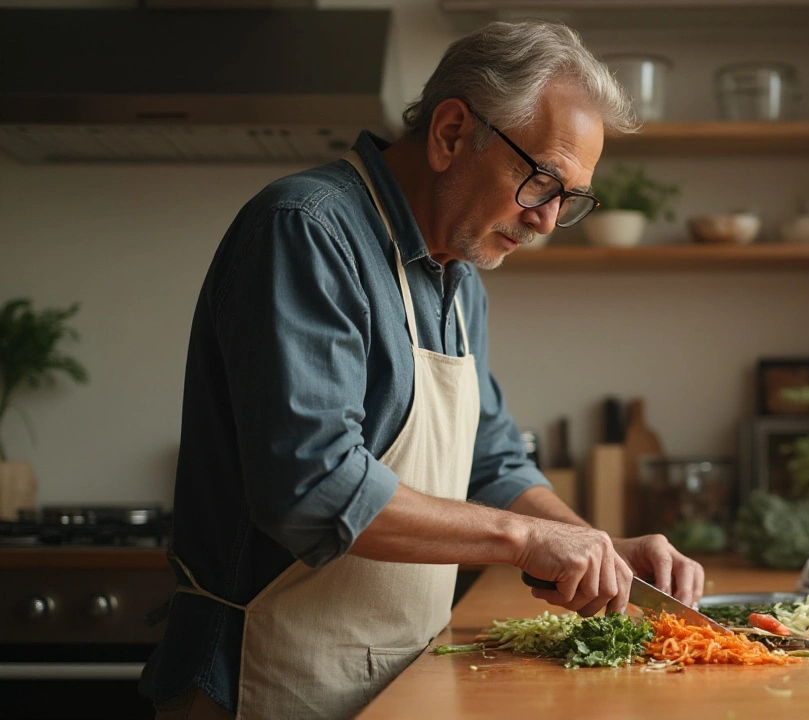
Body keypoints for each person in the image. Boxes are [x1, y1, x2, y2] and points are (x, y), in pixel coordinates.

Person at [142, 20, 705, 720]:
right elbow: (310, 486)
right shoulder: (306, 230)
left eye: (570, 199)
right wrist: (529, 539)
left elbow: (491, 460)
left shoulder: (459, 274)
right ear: (449, 133)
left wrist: (597, 549)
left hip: (394, 681)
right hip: (259, 679)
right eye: (541, 181)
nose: (546, 220)